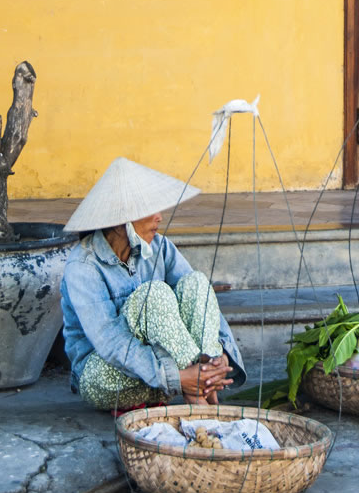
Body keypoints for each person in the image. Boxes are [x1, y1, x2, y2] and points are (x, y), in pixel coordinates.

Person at [60, 157, 246, 414]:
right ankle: (197, 393)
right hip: (105, 377)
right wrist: (178, 378)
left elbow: (201, 300)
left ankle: (203, 380)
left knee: (196, 283)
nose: (159, 217)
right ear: (119, 221)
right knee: (153, 294)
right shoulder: (83, 266)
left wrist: (220, 355)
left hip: (167, 371)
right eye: (150, 209)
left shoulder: (160, 247)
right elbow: (111, 343)